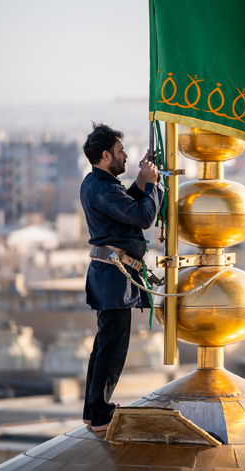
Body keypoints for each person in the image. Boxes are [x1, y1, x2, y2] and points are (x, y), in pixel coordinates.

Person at [79, 122, 160, 432]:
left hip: (112, 275)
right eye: (119, 151)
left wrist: (141, 179)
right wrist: (153, 185)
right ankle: (99, 413)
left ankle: (93, 410)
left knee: (105, 345)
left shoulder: (99, 184)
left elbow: (125, 206)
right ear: (104, 155)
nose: (124, 156)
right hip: (114, 278)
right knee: (111, 347)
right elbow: (142, 216)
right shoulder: (101, 187)